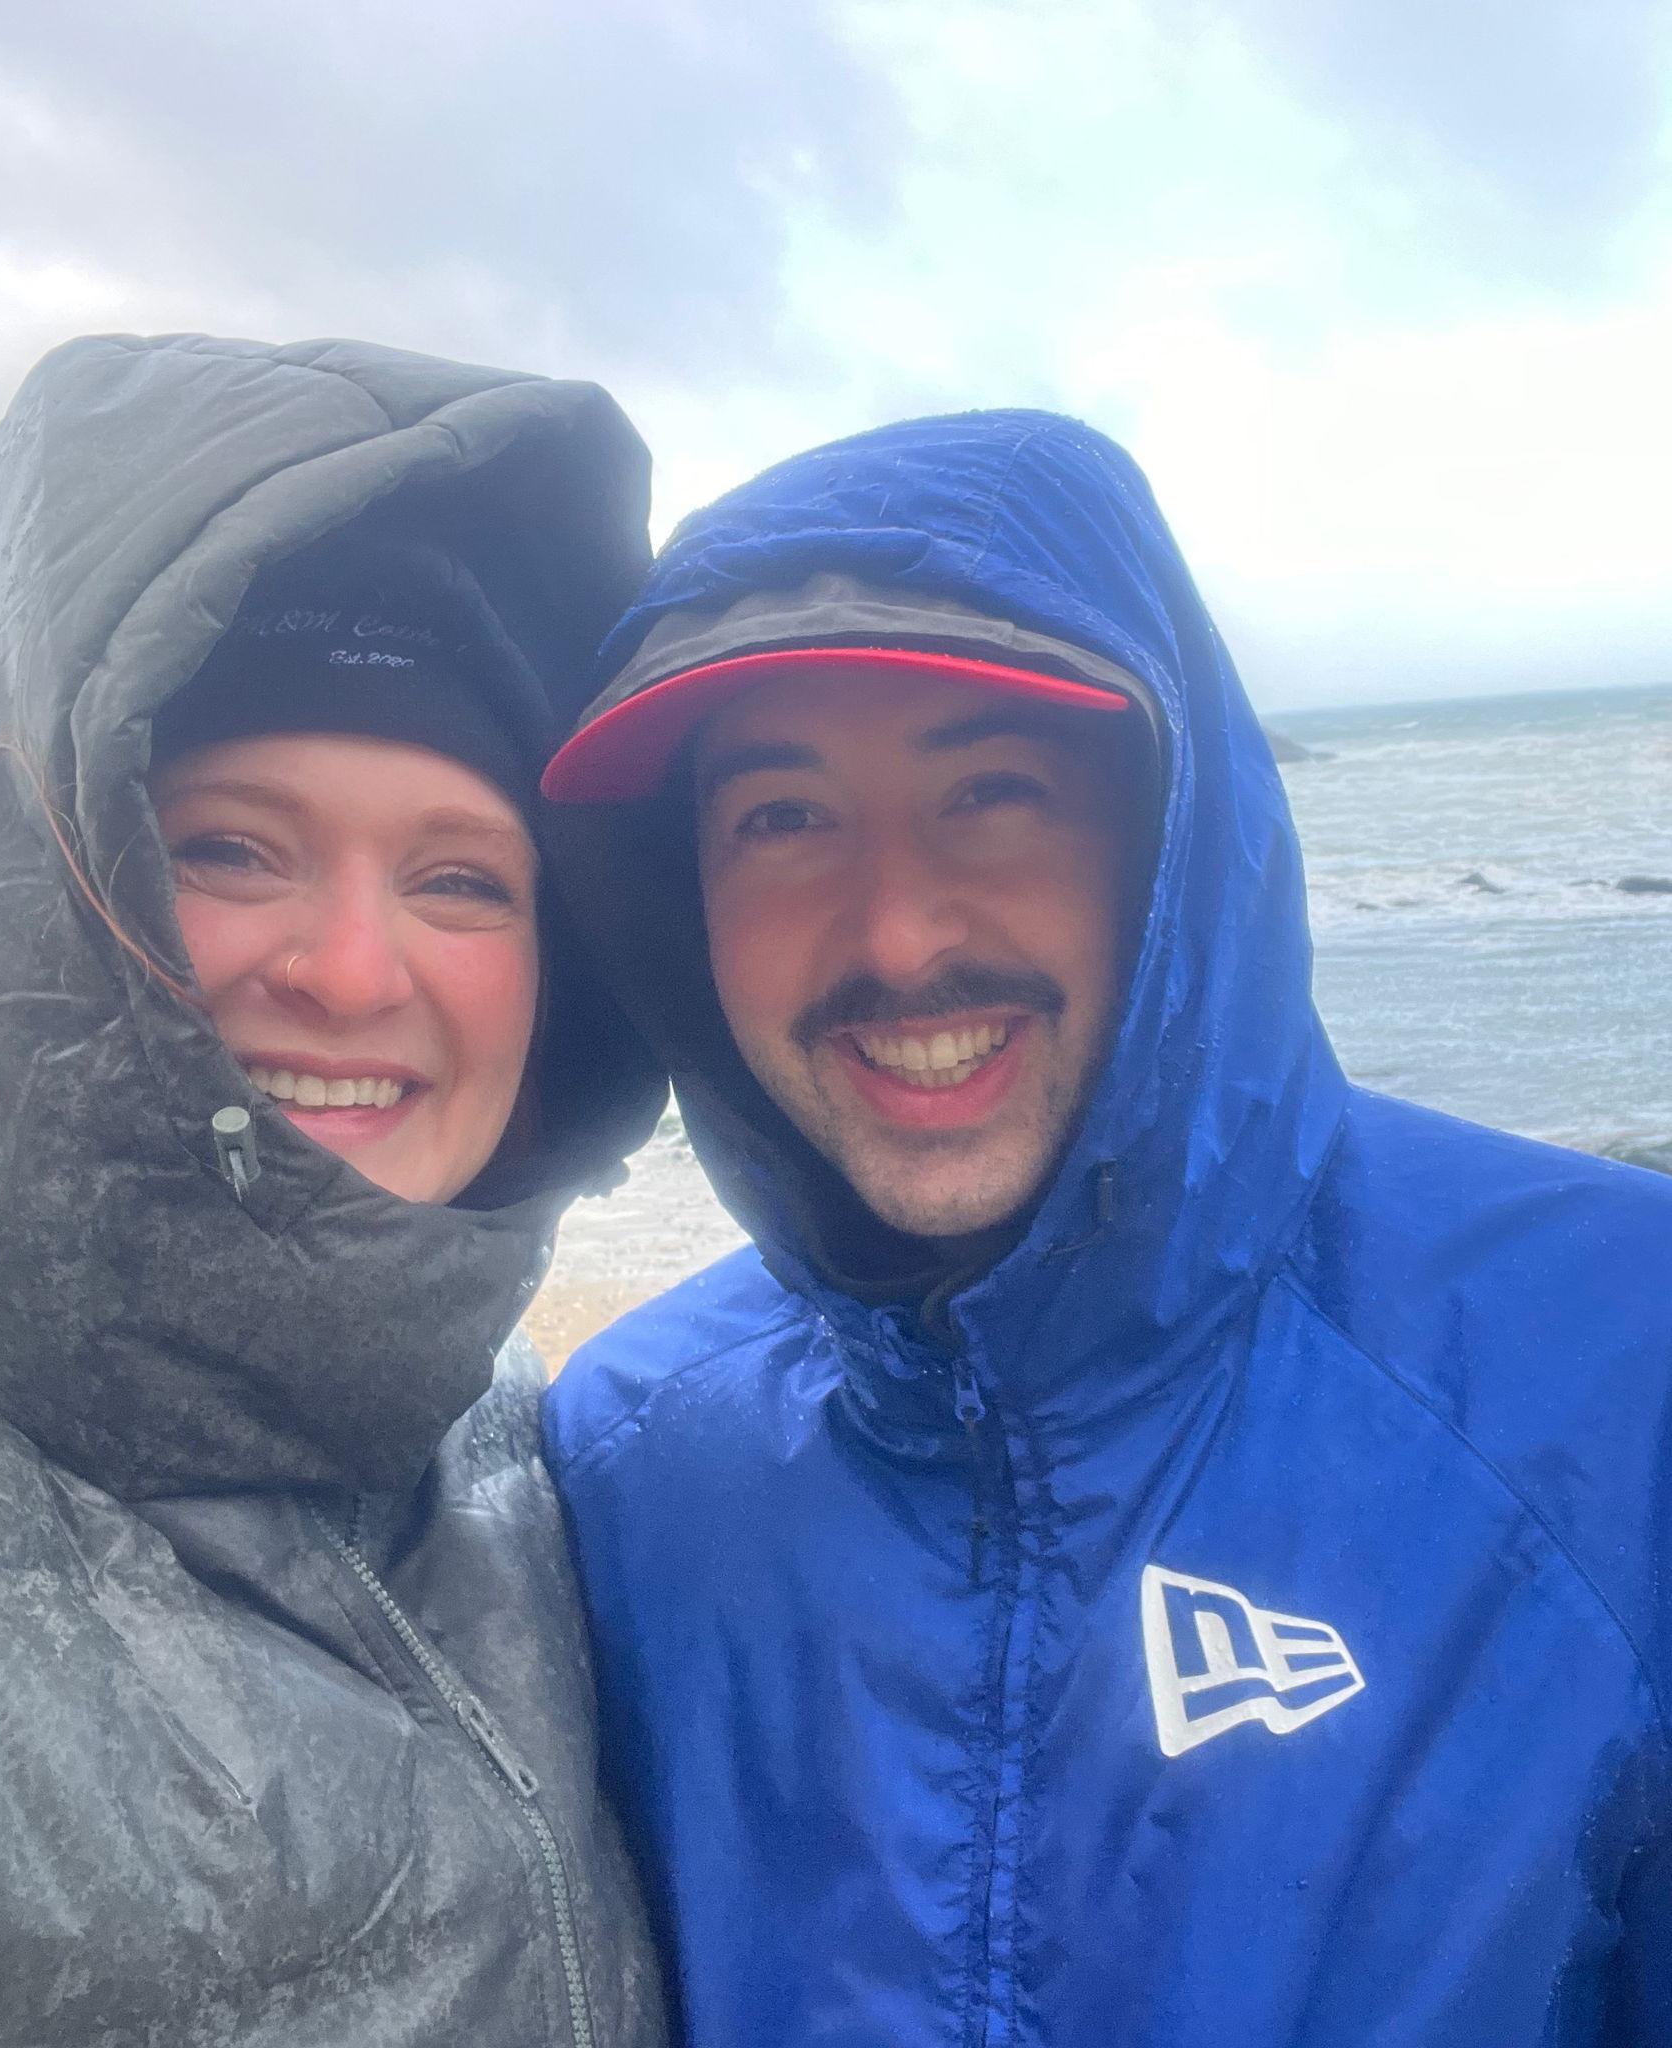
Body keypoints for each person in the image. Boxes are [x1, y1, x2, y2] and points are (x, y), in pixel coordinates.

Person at [538, 409, 1672, 2044]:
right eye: (781, 819)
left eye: (991, 792)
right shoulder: (621, 1464)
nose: (898, 931)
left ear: (1171, 833)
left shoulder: (1614, 1370)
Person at [0, 334, 671, 2047]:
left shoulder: (529, 1457)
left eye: (461, 876)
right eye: (232, 847)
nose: (351, 968)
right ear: (35, 885)